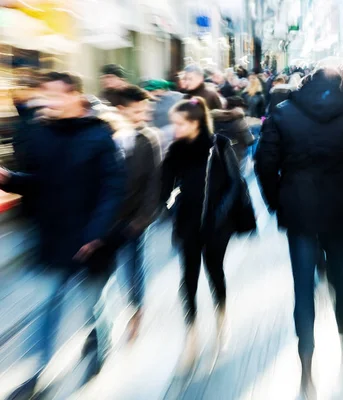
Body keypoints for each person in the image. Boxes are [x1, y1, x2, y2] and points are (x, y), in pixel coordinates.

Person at [254, 68, 343, 398]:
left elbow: (264, 163)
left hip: (297, 206)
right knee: (338, 269)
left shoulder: (283, 113)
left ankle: (307, 362)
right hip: (337, 203)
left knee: (302, 282)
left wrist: (276, 201)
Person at [0, 71, 124, 398]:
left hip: (89, 241)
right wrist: (10, 179)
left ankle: (103, 346)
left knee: (95, 305)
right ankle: (38, 373)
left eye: (56, 95)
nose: (49, 102)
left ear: (75, 96)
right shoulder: (43, 134)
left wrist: (96, 233)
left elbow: (112, 190)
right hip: (54, 238)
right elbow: (40, 182)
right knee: (48, 307)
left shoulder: (99, 136)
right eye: (46, 95)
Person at [161, 97, 256, 369]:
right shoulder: (175, 151)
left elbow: (235, 183)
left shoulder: (219, 145)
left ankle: (221, 321)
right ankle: (191, 336)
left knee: (215, 272)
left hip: (216, 226)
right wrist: (172, 206)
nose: (174, 129)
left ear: (195, 122)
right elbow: (165, 190)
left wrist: (219, 215)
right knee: (188, 279)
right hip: (187, 226)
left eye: (179, 124)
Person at [100, 85, 162, 342]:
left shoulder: (149, 139)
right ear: (121, 110)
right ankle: (100, 330)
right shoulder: (104, 136)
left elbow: (154, 183)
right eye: (138, 111)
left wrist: (143, 219)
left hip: (134, 220)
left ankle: (136, 310)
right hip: (106, 219)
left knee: (134, 269)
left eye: (146, 110)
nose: (143, 115)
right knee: (104, 275)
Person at [211, 96, 255, 169]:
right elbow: (249, 140)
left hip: (215, 155)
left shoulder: (212, 118)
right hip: (236, 156)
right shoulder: (239, 120)